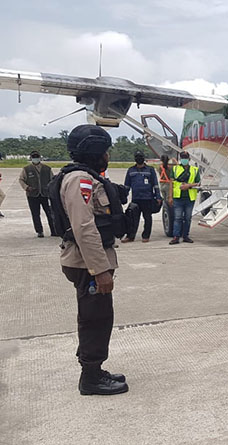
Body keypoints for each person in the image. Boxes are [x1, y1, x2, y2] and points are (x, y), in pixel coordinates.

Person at [48, 124, 129, 395]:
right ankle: (91, 377)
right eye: (105, 150)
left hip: (86, 261)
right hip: (86, 263)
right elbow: (84, 227)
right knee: (95, 317)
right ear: (95, 150)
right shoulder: (80, 180)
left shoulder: (85, 177)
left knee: (96, 315)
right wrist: (100, 270)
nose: (107, 155)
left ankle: (93, 368)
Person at [122, 150, 162, 243]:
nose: (139, 159)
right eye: (137, 157)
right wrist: (123, 196)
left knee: (147, 218)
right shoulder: (131, 170)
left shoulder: (150, 170)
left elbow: (155, 184)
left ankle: (146, 236)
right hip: (136, 198)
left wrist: (158, 196)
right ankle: (130, 236)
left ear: (144, 158)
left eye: (140, 157)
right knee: (132, 219)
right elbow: (127, 185)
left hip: (148, 198)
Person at [19, 150, 56, 237]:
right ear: (31, 158)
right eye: (34, 157)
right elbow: (21, 180)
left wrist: (50, 190)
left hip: (45, 194)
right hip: (32, 195)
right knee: (35, 214)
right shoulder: (26, 169)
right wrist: (27, 188)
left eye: (37, 157)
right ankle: (39, 231)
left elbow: (52, 180)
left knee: (50, 213)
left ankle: (54, 230)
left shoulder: (47, 169)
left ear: (40, 158)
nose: (36, 158)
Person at [169, 151, 200, 244]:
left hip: (189, 198)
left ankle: (186, 235)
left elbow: (198, 183)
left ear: (189, 159)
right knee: (178, 218)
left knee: (187, 218)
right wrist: (170, 196)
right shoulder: (174, 169)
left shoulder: (194, 170)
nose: (184, 159)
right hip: (178, 197)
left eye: (185, 158)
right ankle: (176, 236)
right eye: (182, 158)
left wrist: (188, 185)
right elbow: (171, 183)